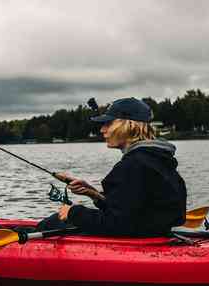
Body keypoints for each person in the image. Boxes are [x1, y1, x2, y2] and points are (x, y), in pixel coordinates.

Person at [42, 97, 187, 237]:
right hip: (154, 235)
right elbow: (134, 210)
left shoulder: (133, 165)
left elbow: (118, 223)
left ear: (128, 126)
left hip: (139, 241)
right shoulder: (157, 159)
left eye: (108, 124)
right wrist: (94, 194)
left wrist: (73, 212)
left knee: (53, 222)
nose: (102, 130)